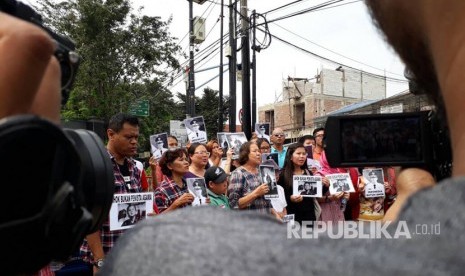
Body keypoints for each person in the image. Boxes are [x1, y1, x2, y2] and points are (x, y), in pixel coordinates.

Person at [99, 1, 465, 274]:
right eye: (261, 145)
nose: (264, 152)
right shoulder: (239, 176)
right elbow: (230, 206)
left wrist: (415, 207)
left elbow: (147, 251)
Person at [79, 113, 142, 272]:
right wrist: (99, 261)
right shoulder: (96, 165)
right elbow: (88, 216)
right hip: (106, 256)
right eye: (128, 137)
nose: (134, 141)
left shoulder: (134, 167)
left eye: (136, 137)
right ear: (111, 134)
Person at [228, 142, 273, 213]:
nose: (258, 153)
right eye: (254, 151)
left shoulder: (262, 171)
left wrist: (277, 217)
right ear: (245, 154)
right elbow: (233, 204)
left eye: (258, 151)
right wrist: (256, 193)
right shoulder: (238, 173)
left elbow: (268, 201)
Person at [277, 143, 317, 224]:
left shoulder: (308, 173)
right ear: (290, 156)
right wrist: (290, 198)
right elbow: (280, 196)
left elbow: (315, 194)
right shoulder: (283, 175)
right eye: (298, 153)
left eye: (304, 154)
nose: (302, 156)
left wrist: (326, 185)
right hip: (291, 216)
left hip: (309, 216)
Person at [154, 148, 194, 213]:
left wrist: (204, 201)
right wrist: (176, 204)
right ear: (170, 166)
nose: (186, 162)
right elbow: (158, 219)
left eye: (186, 159)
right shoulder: (161, 190)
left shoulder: (190, 184)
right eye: (181, 160)